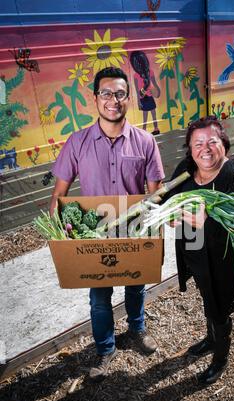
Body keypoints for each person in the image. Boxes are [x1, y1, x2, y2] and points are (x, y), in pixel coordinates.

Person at [49, 67, 165, 381]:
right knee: (99, 296)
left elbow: (155, 193)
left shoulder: (144, 142)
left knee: (136, 286)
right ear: (96, 98)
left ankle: (137, 330)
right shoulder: (77, 142)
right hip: (95, 233)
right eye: (106, 93)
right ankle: (105, 347)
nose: (113, 100)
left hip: (133, 229)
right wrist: (61, 236)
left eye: (119, 94)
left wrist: (155, 232)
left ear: (129, 98)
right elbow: (58, 195)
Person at [165, 116, 234, 386]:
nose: (204, 148)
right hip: (195, 253)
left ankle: (220, 358)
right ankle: (210, 339)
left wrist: (209, 221)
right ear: (190, 148)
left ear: (224, 145)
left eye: (212, 141)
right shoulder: (186, 168)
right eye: (198, 143)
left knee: (219, 308)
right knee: (207, 297)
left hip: (224, 259)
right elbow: (169, 198)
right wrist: (168, 214)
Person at [130, 51, 160, 135]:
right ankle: (144, 129)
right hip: (143, 97)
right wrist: (139, 101)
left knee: (153, 113)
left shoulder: (150, 72)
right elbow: (137, 91)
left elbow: (154, 84)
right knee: (145, 114)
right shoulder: (136, 76)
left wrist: (156, 91)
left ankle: (155, 128)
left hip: (149, 96)